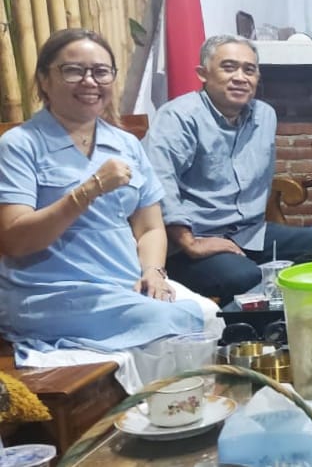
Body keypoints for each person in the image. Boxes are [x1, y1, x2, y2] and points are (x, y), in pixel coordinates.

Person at [0, 29, 206, 360]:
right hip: (51, 294)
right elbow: (15, 241)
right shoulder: (20, 145)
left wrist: (153, 271)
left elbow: (150, 227)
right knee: (178, 322)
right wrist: (90, 189)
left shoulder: (126, 144)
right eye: (73, 71)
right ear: (44, 80)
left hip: (123, 288)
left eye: (100, 71)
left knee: (208, 314)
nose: (89, 81)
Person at [144, 35, 312, 304]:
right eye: (229, 67)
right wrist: (190, 242)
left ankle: (294, 315)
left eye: (249, 70)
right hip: (190, 241)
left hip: (250, 233)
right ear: (203, 74)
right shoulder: (179, 117)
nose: (240, 77)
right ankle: (239, 325)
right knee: (245, 276)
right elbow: (158, 181)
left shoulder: (264, 115)